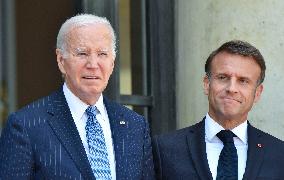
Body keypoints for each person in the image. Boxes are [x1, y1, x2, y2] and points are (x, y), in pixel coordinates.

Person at [0, 14, 154, 179]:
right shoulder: (26, 126)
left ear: (112, 63)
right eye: (82, 54)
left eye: (102, 54)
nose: (93, 65)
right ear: (61, 60)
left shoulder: (135, 126)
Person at [152, 40, 284, 180]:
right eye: (222, 77)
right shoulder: (164, 149)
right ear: (207, 84)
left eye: (243, 81)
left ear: (257, 93)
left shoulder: (279, 154)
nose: (231, 88)